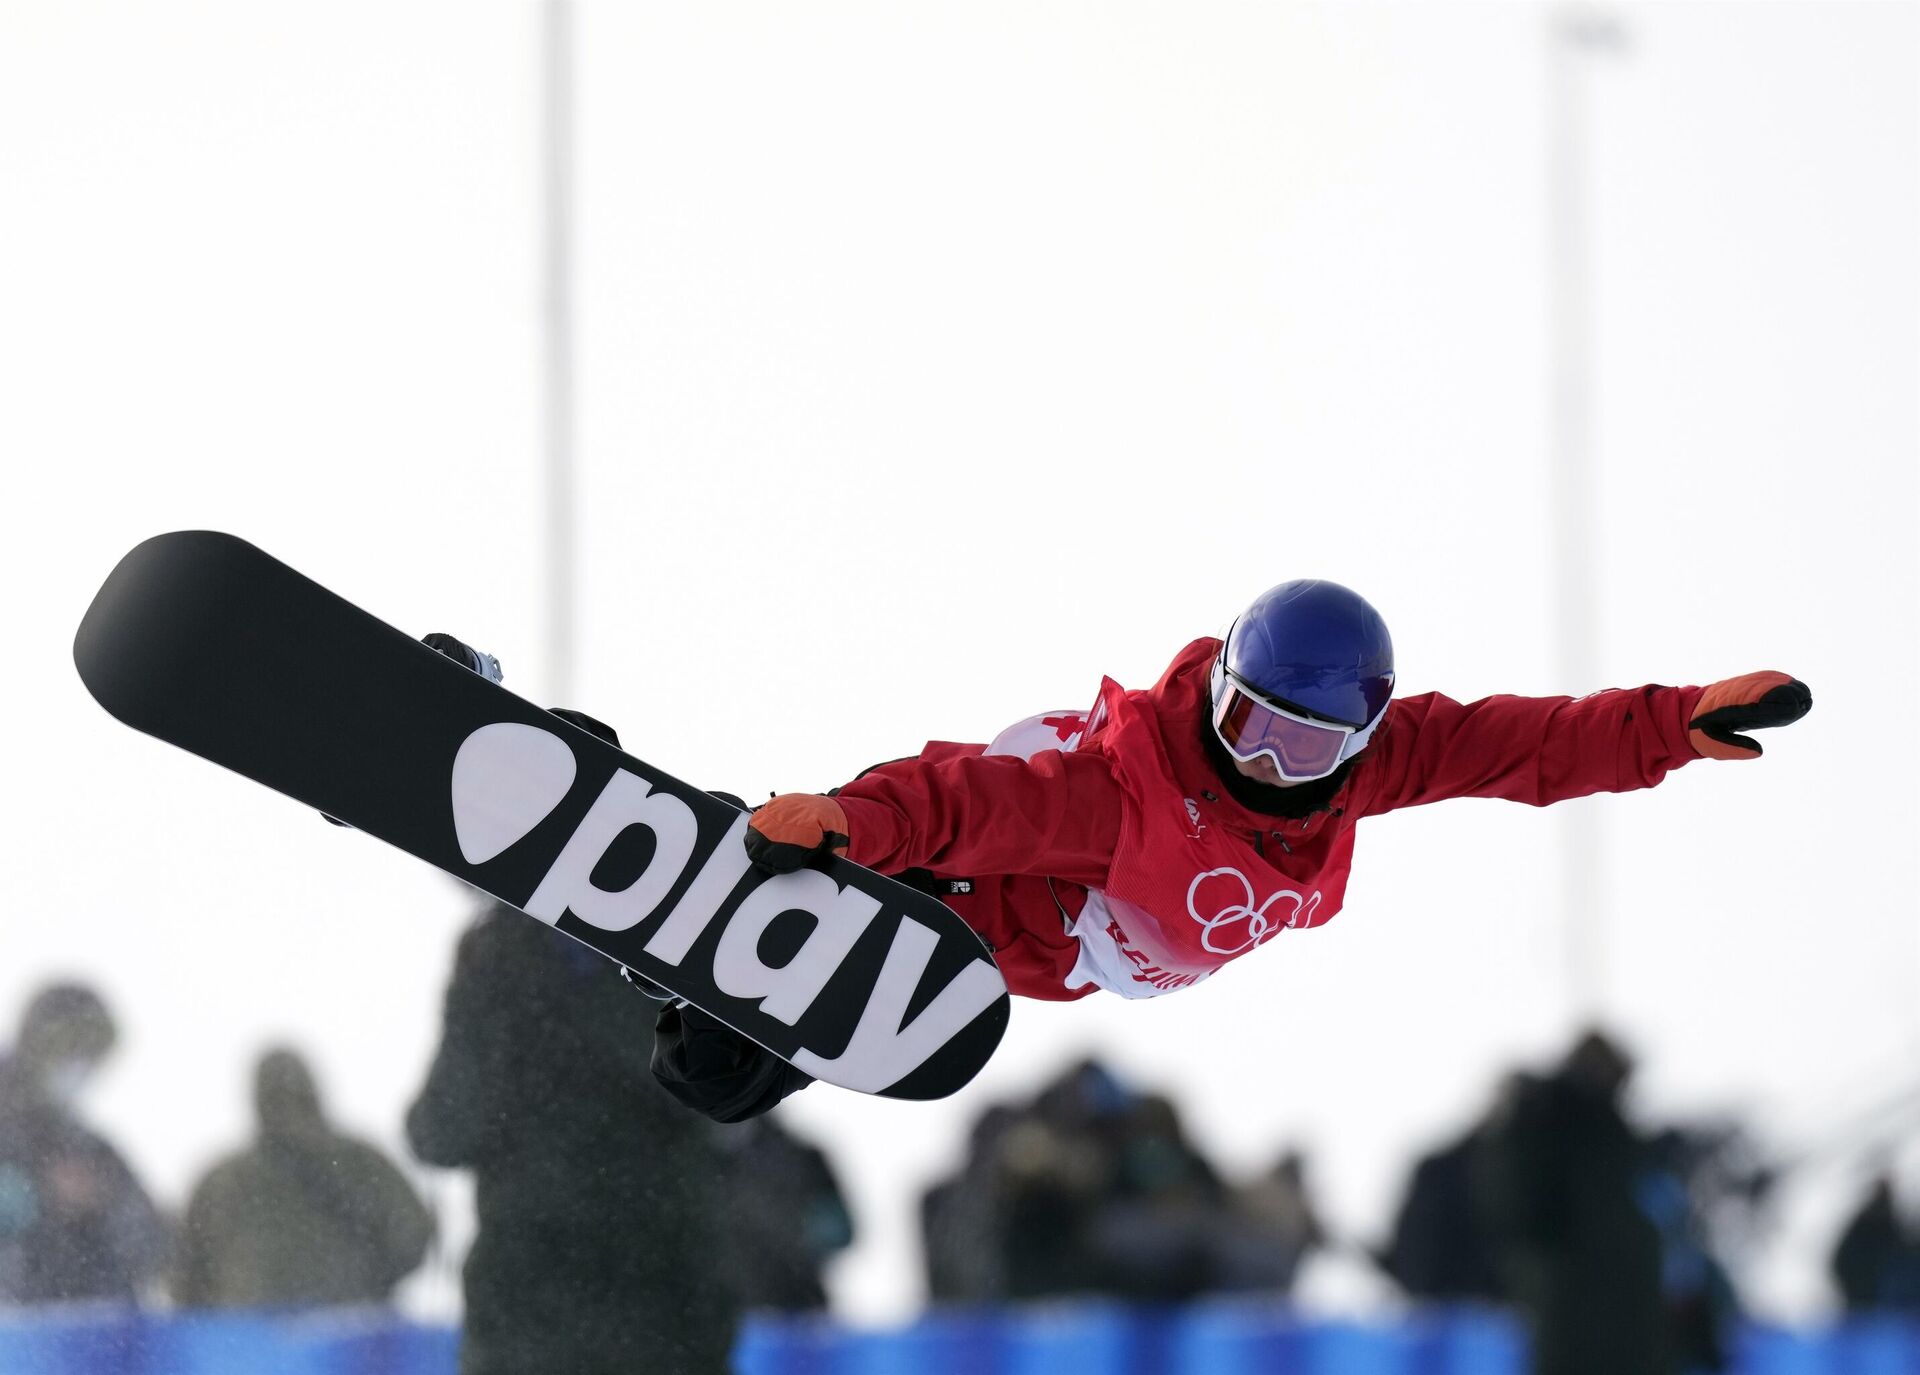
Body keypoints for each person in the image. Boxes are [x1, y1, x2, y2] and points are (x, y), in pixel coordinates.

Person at [641, 578, 1811, 1120]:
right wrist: (855, 820)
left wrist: (1672, 723)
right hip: (1020, 889)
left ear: (1359, 744)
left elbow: (1525, 745)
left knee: (910, 964)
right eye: (1250, 725)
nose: (1268, 765)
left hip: (1063, 948)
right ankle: (729, 880)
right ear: (1219, 698)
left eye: (1307, 749)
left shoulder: (1366, 775)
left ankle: (735, 973)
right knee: (784, 1020)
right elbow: (971, 802)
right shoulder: (1135, 791)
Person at [406, 897, 740, 1375]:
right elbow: (722, 1105)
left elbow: (442, 1131)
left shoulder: (499, 954)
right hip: (662, 1293)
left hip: (543, 1299)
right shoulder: (682, 938)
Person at [174, 1047, 432, 1308]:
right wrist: (371, 1285)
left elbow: (185, 1275)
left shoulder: (222, 1181)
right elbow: (411, 1236)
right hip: (350, 1332)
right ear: (313, 1091)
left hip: (249, 1338)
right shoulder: (360, 1163)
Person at [0, 983, 166, 1305]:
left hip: (89, 1338)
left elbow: (153, 1241)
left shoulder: (91, 1149)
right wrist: (39, 1198)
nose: (80, 1068)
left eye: (90, 1055)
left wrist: (102, 1205)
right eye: (70, 1051)